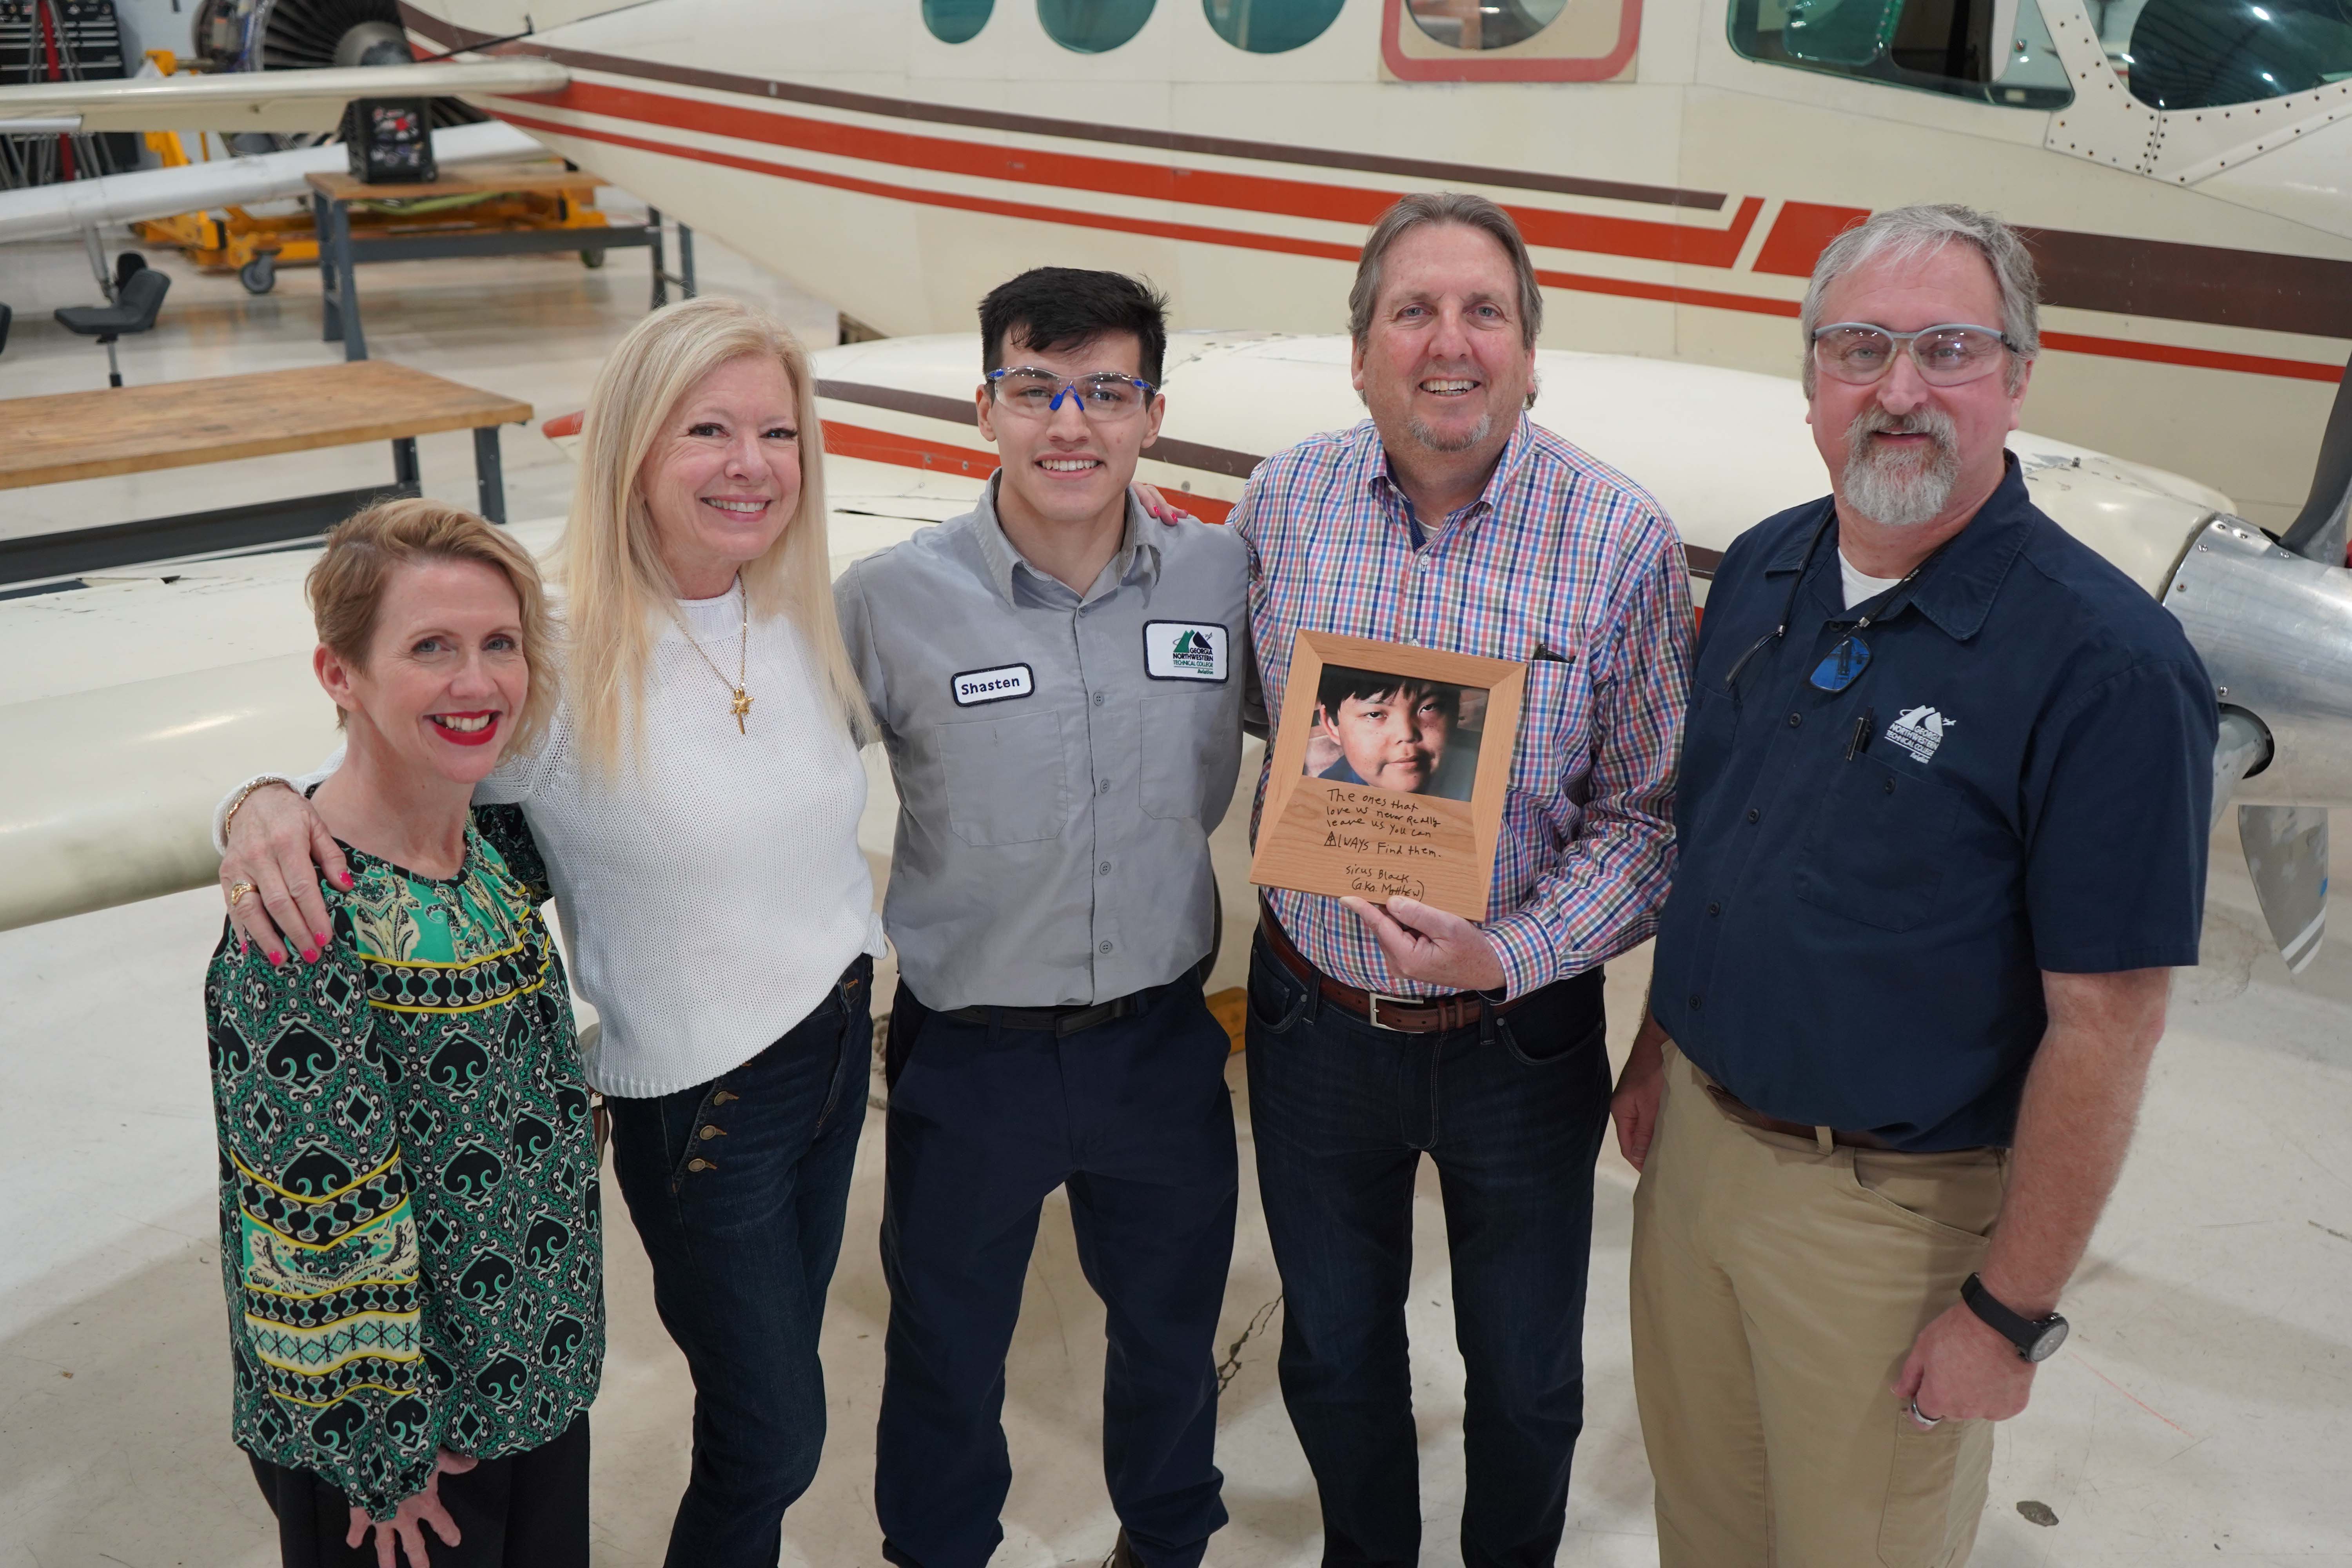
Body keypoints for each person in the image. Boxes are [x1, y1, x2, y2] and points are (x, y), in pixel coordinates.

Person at [213, 297, 884, 1568]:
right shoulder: (558, 651)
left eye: (778, 433)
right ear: (633, 446)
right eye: (709, 430)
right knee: (777, 1438)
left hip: (837, 1044)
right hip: (705, 1097)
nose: (752, 465)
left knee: (781, 1391)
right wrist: (253, 805)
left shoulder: (793, 608)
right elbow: (369, 768)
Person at [1613, 203, 2218, 1566]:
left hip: (1887, 1218)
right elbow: (1715, 845)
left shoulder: (2106, 669)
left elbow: (2107, 1026)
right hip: (1696, 1156)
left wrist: (2005, 1316)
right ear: (1813, 377)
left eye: (1947, 348)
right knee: (1704, 1530)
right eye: (1861, 349)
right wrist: (1658, 1049)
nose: (1897, 391)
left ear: (2018, 372)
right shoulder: (1768, 566)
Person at [1233, 192, 1691, 1567]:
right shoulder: (1287, 504)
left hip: (1517, 1034)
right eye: (1412, 312)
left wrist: (1511, 952)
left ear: (1531, 353)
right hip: (1312, 1021)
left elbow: (1649, 820)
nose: (1451, 343)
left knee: (1528, 1378)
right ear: (1361, 352)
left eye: (1484, 311)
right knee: (1335, 1353)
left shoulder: (1619, 538)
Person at [832, 267, 1245, 1568]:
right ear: (986, 409)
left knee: (1174, 1333)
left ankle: (1167, 1544)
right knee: (947, 1349)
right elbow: (735, 747)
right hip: (973, 1059)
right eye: (1036, 392)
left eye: (1106, 394)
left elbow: (1353, 740)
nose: (1071, 426)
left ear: (1152, 414)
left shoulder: (1223, 577)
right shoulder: (887, 602)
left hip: (1163, 1046)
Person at [205, 499, 601, 1568]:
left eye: (500, 645)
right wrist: (384, 1457)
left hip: (534, 1380)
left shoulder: (496, 857)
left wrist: (255, 793)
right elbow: (311, 1225)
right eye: (431, 648)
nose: (478, 683)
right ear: (341, 675)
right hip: (404, 1461)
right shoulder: (298, 923)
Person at [1311, 666, 1478, 800]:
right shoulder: (1323, 800)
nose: (1406, 734)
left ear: (1455, 711)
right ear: (1332, 725)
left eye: (1428, 708)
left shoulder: (1489, 772)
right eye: (1374, 715)